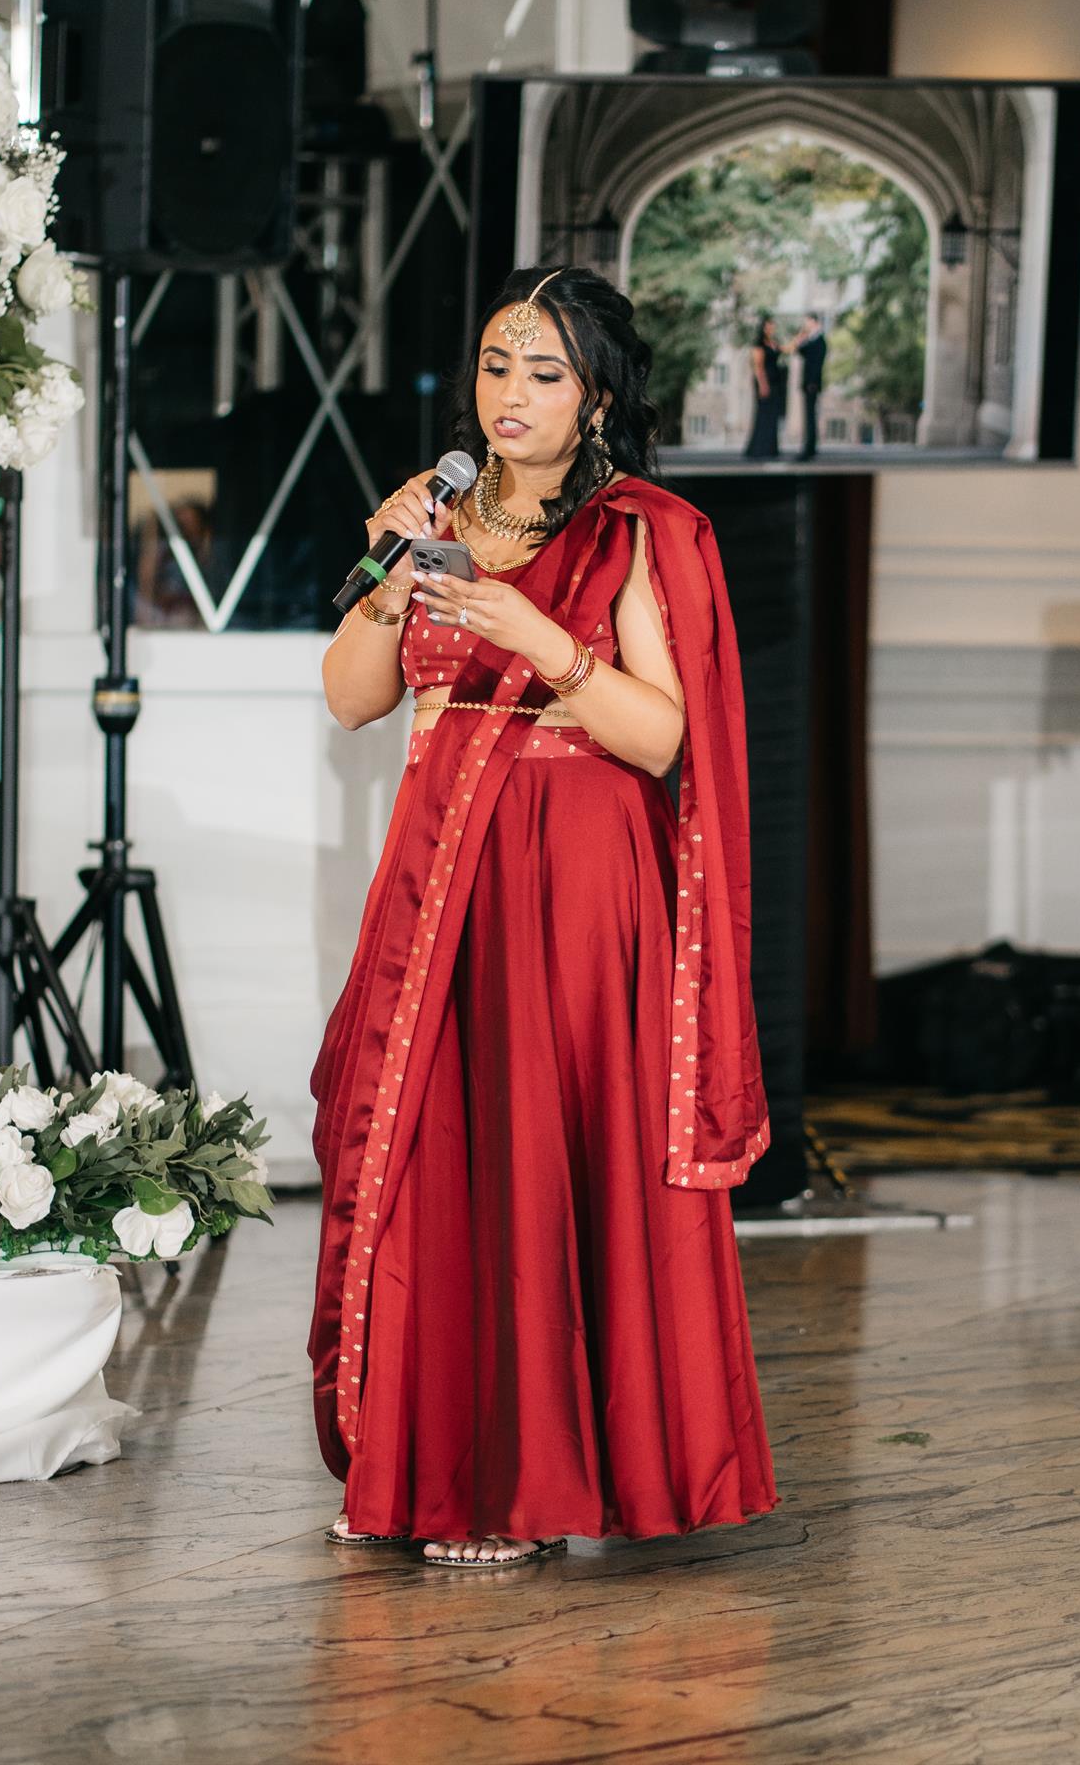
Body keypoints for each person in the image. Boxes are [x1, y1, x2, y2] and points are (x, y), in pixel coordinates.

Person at [310, 265, 777, 1570]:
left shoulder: (640, 533)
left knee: (538, 1161)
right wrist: (394, 576)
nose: (509, 394)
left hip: (574, 890)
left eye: (545, 373)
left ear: (600, 399)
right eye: (496, 365)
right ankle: (429, 1468)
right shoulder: (438, 514)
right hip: (436, 880)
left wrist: (542, 638)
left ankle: (533, 1483)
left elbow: (665, 736)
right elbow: (353, 697)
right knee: (426, 1158)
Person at [743, 314, 786, 459]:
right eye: (769, 326)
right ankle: (759, 448)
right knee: (763, 415)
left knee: (772, 416)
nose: (771, 328)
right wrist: (763, 384)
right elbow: (758, 367)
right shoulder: (759, 345)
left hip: (775, 382)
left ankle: (770, 448)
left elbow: (787, 349)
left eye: (772, 325)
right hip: (765, 382)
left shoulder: (773, 343)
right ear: (763, 327)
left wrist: (801, 336)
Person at [792, 313, 827, 461]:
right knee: (809, 416)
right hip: (810, 383)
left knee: (810, 416)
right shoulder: (813, 339)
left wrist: (812, 382)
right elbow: (799, 349)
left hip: (812, 384)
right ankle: (809, 446)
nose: (805, 324)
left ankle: (809, 448)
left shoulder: (819, 341)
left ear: (814, 322)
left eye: (807, 321)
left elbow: (816, 363)